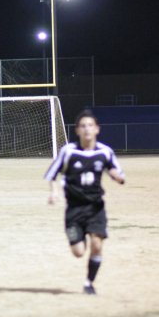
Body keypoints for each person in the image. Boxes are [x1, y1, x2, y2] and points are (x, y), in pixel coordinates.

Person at [45, 109, 125, 295]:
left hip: (96, 207)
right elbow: (52, 174)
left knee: (97, 244)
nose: (87, 129)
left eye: (90, 125)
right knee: (79, 252)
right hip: (74, 209)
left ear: (97, 129)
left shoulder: (105, 152)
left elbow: (118, 173)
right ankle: (79, 236)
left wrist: (117, 177)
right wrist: (54, 192)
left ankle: (89, 283)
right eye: (83, 126)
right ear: (77, 131)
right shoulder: (68, 151)